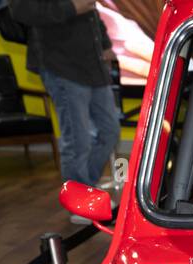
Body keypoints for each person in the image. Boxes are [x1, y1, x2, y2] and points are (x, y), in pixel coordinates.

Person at [10, 0, 121, 198]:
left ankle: (85, 187)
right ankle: (79, 199)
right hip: (61, 65)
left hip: (93, 64)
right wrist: (71, 7)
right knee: (77, 140)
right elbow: (20, 10)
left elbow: (90, 10)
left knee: (110, 131)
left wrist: (104, 44)